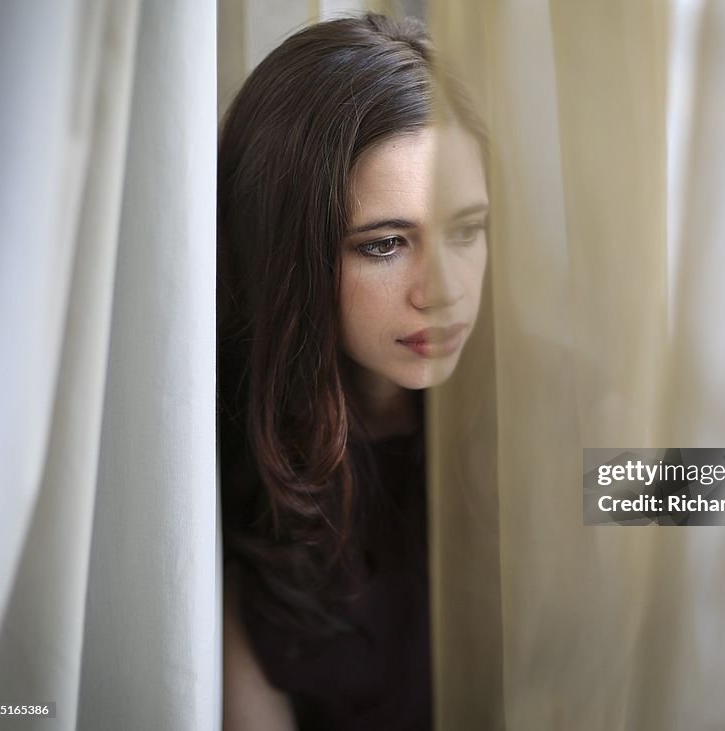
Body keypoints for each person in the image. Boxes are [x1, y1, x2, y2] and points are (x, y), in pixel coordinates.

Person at [217, 13, 489, 730]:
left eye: (466, 229)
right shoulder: (223, 473)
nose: (445, 290)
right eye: (387, 243)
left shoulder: (553, 403)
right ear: (286, 253)